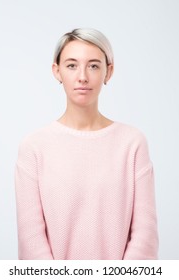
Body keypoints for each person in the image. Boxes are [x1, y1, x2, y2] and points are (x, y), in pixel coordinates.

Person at [14, 28, 158, 260]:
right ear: (57, 71)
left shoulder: (132, 143)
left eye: (93, 65)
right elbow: (31, 239)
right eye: (72, 65)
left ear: (108, 72)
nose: (82, 76)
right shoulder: (34, 147)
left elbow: (144, 234)